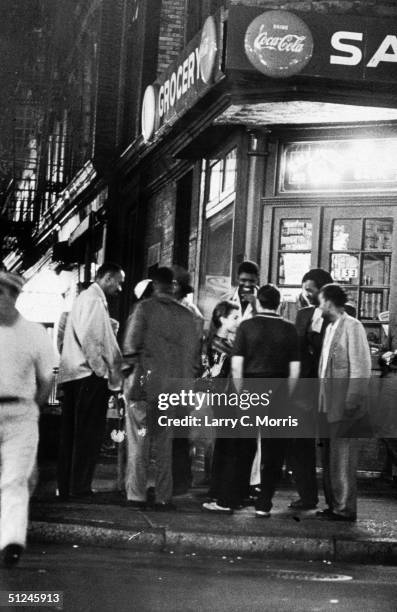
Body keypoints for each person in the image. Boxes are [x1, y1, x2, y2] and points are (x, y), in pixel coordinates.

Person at [123, 267, 198, 510]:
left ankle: (137, 494)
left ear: (155, 285)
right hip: (172, 392)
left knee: (140, 441)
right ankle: (164, 495)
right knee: (164, 446)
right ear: (173, 285)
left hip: (145, 387)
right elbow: (193, 360)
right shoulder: (188, 317)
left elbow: (130, 348)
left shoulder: (144, 309)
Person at [0, 272, 56, 567]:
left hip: (21, 412)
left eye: (3, 292)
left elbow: (46, 379)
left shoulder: (33, 333)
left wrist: (32, 409)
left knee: (15, 478)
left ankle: (10, 542)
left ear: (14, 296)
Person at [57, 262, 125, 500]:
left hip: (76, 376)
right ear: (107, 278)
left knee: (73, 435)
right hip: (88, 376)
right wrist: (101, 372)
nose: (120, 288)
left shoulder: (85, 299)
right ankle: (80, 488)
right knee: (87, 435)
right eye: (118, 282)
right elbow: (92, 340)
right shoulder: (94, 300)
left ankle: (68, 486)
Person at [232, 284, 300, 517]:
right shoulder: (290, 330)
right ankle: (264, 502)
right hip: (279, 391)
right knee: (274, 450)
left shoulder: (246, 326)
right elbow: (294, 370)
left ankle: (237, 495)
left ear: (258, 302)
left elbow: (237, 367)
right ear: (279, 303)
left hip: (251, 388)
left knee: (245, 446)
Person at [317, 283, 371, 521]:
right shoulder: (330, 328)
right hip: (328, 403)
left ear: (329, 301)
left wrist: (352, 400)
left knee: (343, 457)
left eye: (320, 302)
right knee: (331, 457)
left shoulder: (353, 326)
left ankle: (344, 508)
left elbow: (361, 365)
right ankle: (334, 503)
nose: (319, 307)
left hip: (345, 404)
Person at [288, 269, 333, 511]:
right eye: (304, 289)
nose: (305, 294)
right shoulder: (303, 314)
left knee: (329, 448)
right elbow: (297, 349)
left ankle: (333, 500)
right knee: (300, 443)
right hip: (304, 388)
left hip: (326, 387)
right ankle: (306, 495)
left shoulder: (339, 316)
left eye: (310, 290)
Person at [201, 301, 240, 513]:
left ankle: (218, 493)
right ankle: (224, 496)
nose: (239, 320)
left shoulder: (216, 342)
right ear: (222, 318)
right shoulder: (219, 345)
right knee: (228, 448)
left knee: (224, 447)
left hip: (221, 400)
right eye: (235, 317)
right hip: (226, 400)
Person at [171, 265, 204, 495]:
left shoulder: (188, 312)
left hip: (180, 379)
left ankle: (180, 479)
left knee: (178, 432)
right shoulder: (186, 310)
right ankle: (178, 478)